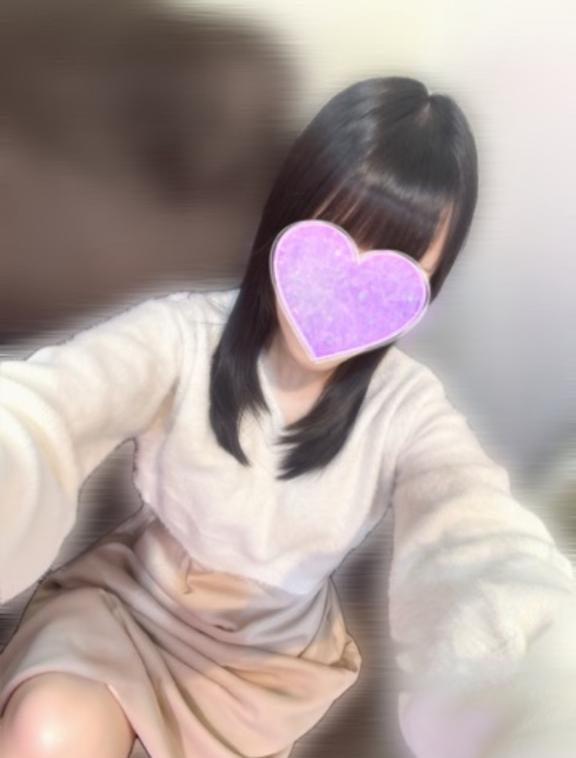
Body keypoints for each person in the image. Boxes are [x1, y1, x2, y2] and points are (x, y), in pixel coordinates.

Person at [1, 76, 575, 758]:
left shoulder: (408, 410)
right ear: (289, 212)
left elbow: (477, 539)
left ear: (430, 281)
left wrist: (540, 692)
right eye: (337, 233)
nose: (349, 282)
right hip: (130, 603)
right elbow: (51, 404)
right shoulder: (182, 336)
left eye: (395, 262)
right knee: (49, 731)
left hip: (265, 664)